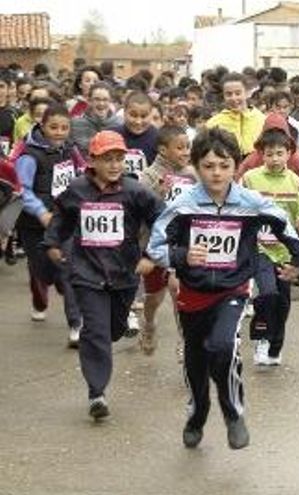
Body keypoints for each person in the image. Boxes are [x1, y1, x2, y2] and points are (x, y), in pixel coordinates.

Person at [147, 128, 299, 450]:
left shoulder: (250, 202)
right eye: (209, 166)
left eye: (224, 166)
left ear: (235, 167)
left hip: (233, 289)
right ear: (197, 166)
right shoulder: (184, 205)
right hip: (193, 293)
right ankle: (197, 413)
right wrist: (181, 255)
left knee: (224, 347)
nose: (216, 173)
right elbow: (156, 245)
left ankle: (233, 413)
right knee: (196, 359)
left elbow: (286, 227)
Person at [44, 130, 164, 420]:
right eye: (107, 159)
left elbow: (163, 219)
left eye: (119, 159)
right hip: (86, 272)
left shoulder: (135, 192)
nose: (114, 165)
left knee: (112, 329)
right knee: (96, 331)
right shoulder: (77, 190)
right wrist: (52, 243)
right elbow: (61, 218)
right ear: (92, 160)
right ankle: (97, 393)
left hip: (124, 274)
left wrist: (152, 255)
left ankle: (108, 333)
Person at [241, 121, 299, 366]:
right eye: (269, 154)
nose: (274, 158)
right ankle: (261, 339)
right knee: (268, 293)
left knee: (283, 302)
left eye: (279, 153)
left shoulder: (295, 182)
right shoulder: (250, 179)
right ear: (261, 154)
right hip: (259, 248)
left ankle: (275, 346)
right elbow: (237, 205)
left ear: (289, 154)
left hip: (285, 251)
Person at [14, 103, 86, 346]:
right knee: (42, 271)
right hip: (34, 226)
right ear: (42, 126)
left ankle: (76, 324)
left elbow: (81, 172)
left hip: (64, 221)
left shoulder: (71, 149)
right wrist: (41, 213)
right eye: (53, 127)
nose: (59, 132)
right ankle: (44, 290)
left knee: (67, 267)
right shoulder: (29, 155)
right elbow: (21, 190)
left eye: (64, 127)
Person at [137, 125, 198, 355]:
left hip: (182, 242)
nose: (185, 152)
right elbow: (142, 207)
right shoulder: (149, 175)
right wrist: (159, 192)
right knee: (154, 297)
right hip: (156, 242)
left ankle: (185, 340)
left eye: (188, 147)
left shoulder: (192, 174)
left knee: (178, 289)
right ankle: (149, 324)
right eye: (179, 148)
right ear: (163, 150)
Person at [206, 73, 266, 156]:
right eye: (228, 94)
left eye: (238, 93)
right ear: (223, 96)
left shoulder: (263, 120)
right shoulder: (213, 123)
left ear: (247, 93)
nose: (234, 98)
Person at [111, 91, 158, 179]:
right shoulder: (111, 135)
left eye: (143, 116)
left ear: (151, 115)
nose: (138, 121)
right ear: (124, 112)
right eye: (133, 115)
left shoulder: (159, 139)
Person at [70, 82, 121, 154]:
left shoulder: (120, 124)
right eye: (97, 99)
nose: (101, 103)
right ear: (89, 101)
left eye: (105, 99)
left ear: (110, 101)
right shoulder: (75, 124)